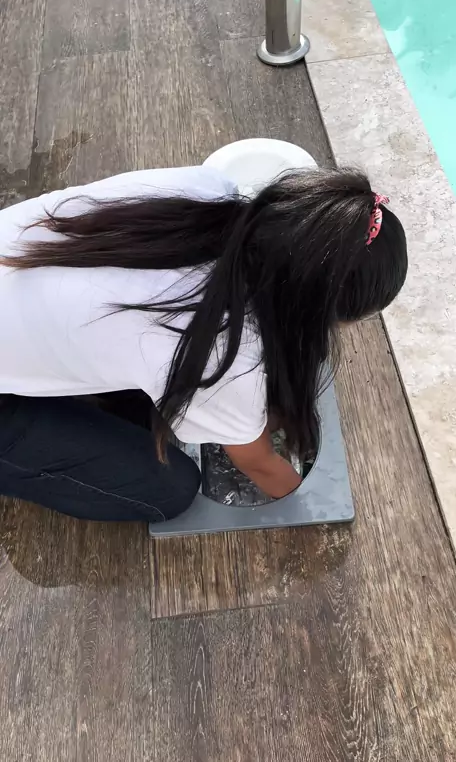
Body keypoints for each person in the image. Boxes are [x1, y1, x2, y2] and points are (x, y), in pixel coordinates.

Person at [0, 165, 407, 523]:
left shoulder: (207, 190)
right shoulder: (223, 351)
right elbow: (259, 464)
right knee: (170, 490)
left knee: (138, 404)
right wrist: (312, 504)